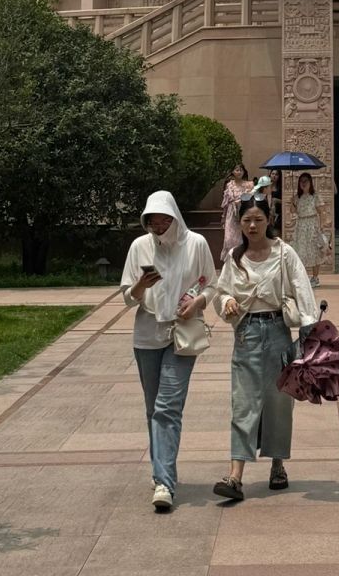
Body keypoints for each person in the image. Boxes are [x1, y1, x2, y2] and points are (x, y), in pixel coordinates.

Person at [212, 192, 319, 501]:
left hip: (277, 331)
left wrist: (309, 328)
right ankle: (235, 476)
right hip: (246, 334)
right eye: (247, 220)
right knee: (243, 402)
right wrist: (227, 300)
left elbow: (301, 287)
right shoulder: (234, 258)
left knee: (278, 401)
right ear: (239, 223)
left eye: (258, 219)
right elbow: (220, 292)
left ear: (269, 220)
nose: (252, 226)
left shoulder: (284, 253)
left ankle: (277, 464)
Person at [121, 190, 215, 512]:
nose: (159, 227)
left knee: (168, 407)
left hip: (182, 335)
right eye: (152, 222)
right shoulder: (140, 246)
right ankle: (159, 468)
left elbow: (212, 285)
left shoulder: (196, 244)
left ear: (175, 218)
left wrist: (197, 302)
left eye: (164, 220)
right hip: (147, 335)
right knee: (153, 408)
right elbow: (127, 297)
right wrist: (141, 285)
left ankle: (165, 483)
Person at [290, 172, 327, 287]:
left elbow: (322, 212)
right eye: (301, 181)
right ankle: (303, 277)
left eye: (306, 181)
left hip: (312, 225)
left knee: (314, 251)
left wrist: (322, 226)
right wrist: (292, 203)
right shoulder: (297, 197)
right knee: (300, 250)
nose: (303, 183)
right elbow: (293, 211)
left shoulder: (315, 196)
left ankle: (315, 277)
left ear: (310, 182)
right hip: (301, 225)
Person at [220, 162, 255, 260]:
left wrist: (242, 201)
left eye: (241, 170)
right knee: (229, 239)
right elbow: (226, 203)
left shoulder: (249, 185)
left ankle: (243, 259)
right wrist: (223, 217)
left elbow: (252, 199)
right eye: (237, 170)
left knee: (242, 238)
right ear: (233, 172)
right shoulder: (229, 185)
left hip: (244, 213)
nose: (239, 172)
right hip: (231, 214)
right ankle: (230, 259)